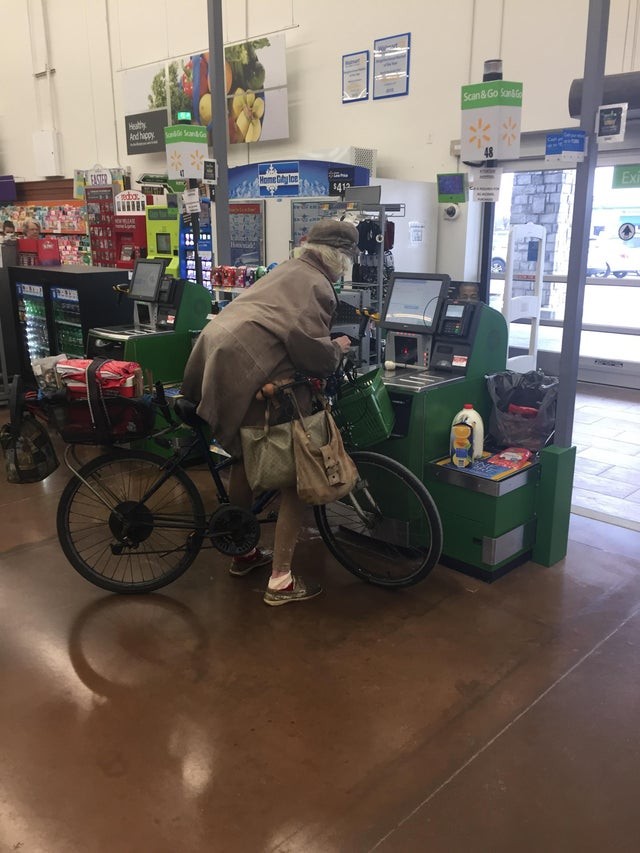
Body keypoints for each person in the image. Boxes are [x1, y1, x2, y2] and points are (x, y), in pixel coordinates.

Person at [182, 218, 357, 606]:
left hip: (215, 358)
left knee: (244, 458)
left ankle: (242, 552)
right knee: (298, 475)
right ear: (341, 259)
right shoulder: (318, 285)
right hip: (241, 369)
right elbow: (309, 349)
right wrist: (338, 348)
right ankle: (280, 580)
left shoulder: (290, 268)